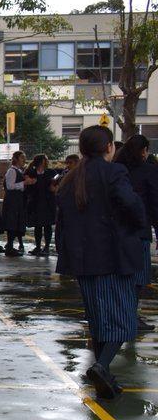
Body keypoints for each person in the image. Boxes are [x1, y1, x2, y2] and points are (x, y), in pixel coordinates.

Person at [55, 126, 147, 401]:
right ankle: (101, 366)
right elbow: (132, 205)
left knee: (98, 319)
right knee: (124, 319)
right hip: (114, 257)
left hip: (83, 260)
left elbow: (63, 223)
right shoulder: (113, 173)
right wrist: (137, 226)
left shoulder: (71, 179)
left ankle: (103, 377)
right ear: (109, 147)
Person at [116, 133, 157, 332]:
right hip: (139, 230)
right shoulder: (149, 171)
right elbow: (155, 204)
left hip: (115, 231)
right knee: (138, 277)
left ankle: (122, 313)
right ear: (144, 151)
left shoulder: (117, 169)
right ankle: (131, 315)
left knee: (120, 276)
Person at [23, 154, 58, 256]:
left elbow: (55, 183)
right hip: (35, 202)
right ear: (42, 161)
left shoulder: (51, 172)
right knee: (37, 225)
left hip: (48, 203)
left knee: (47, 225)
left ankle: (46, 247)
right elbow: (26, 186)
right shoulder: (30, 173)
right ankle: (38, 246)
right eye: (45, 160)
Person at [1, 150, 28, 257]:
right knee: (11, 222)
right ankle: (10, 247)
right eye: (22, 158)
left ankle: (11, 245)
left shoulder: (20, 171)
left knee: (16, 222)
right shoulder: (12, 171)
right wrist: (24, 183)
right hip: (12, 201)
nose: (24, 160)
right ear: (16, 159)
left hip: (18, 201)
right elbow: (10, 186)